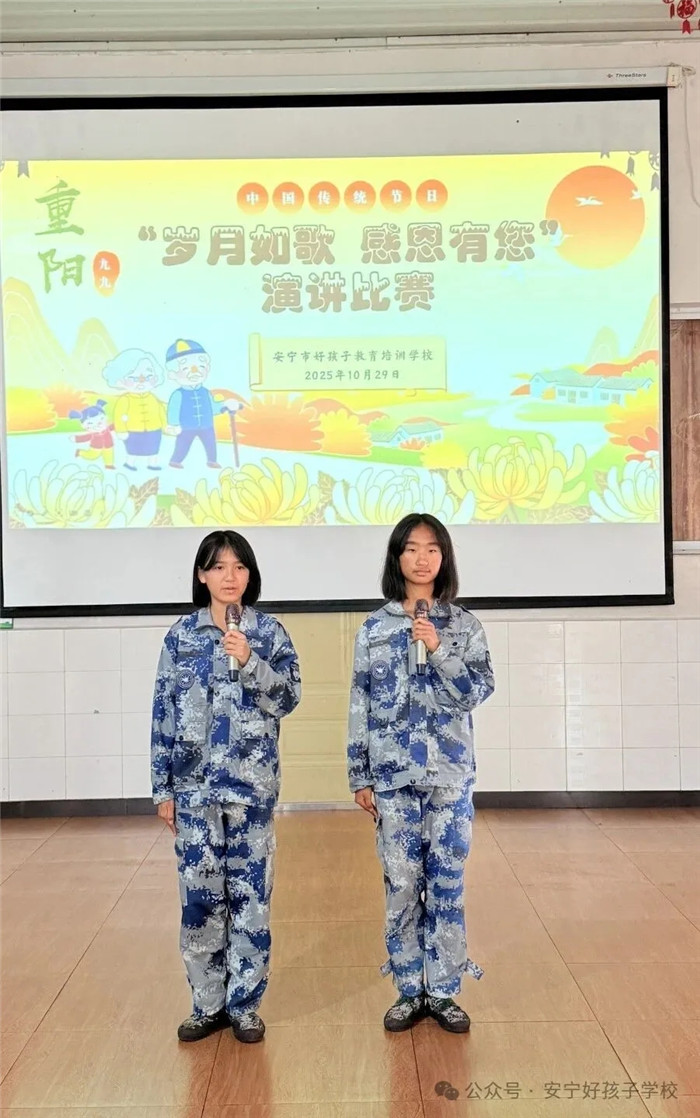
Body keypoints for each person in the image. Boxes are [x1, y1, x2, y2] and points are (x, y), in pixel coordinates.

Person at [151, 530, 301, 1044]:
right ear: (202, 576)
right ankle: (206, 1004)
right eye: (218, 567)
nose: (229, 576)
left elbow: (288, 698)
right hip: (194, 793)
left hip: (251, 792)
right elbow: (163, 714)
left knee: (250, 900)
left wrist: (251, 660)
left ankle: (245, 1006)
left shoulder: (269, 632)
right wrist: (162, 789)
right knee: (199, 901)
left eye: (239, 567)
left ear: (250, 575)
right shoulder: (181, 637)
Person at [347, 513, 494, 1034]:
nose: (422, 558)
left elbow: (477, 691)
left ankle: (445, 990)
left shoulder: (464, 626)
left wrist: (438, 648)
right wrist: (359, 775)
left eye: (432, 548)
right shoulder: (374, 628)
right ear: (397, 558)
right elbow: (360, 704)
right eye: (411, 548)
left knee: (447, 882)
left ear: (444, 557)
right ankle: (409, 989)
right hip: (393, 777)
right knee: (402, 883)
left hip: (449, 776)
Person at [102, 349, 166, 471]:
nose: (142, 381)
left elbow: (160, 412)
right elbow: (119, 416)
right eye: (133, 378)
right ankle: (130, 463)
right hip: (133, 430)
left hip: (154, 429)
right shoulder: (124, 399)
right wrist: (121, 430)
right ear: (120, 380)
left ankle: (152, 463)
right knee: (132, 449)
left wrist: (165, 425)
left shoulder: (153, 398)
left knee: (153, 448)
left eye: (148, 377)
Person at [165, 339, 221, 469]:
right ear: (173, 374)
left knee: (210, 443)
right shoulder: (178, 394)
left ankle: (212, 460)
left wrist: (225, 406)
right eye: (185, 368)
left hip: (206, 425)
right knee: (182, 444)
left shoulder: (205, 392)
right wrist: (174, 424)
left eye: (201, 367)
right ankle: (176, 460)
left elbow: (213, 407)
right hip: (186, 426)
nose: (195, 371)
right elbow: (173, 410)